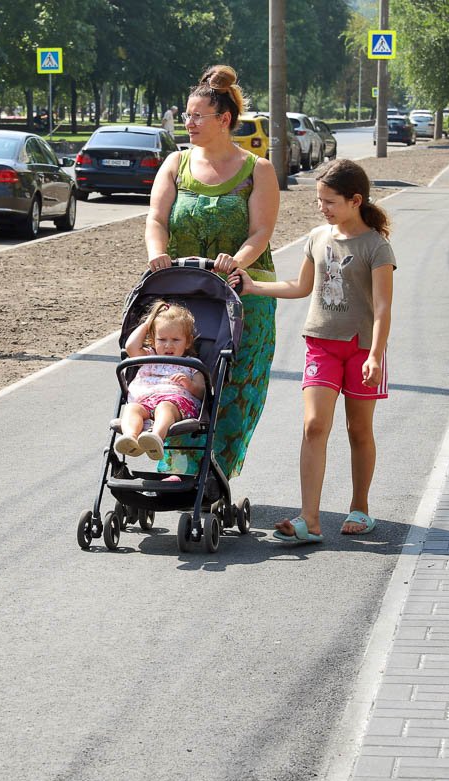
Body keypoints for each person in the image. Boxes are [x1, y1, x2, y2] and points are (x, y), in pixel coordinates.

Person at [228, 159, 395, 543]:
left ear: (356, 200)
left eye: (330, 201)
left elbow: (383, 309)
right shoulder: (317, 237)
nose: (322, 207)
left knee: (358, 430)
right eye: (319, 200)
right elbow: (301, 287)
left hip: (361, 350)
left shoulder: (376, 246)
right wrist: (253, 287)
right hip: (321, 345)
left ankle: (360, 508)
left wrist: (374, 356)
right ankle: (309, 520)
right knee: (314, 425)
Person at [145, 64, 279, 480]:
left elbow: (261, 231)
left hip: (242, 295)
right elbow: (156, 218)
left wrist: (237, 260)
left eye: (196, 115)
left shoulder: (257, 169)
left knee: (232, 386)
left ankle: (214, 472)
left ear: (224, 120)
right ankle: (178, 469)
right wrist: (157, 252)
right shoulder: (175, 163)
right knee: (176, 378)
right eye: (186, 114)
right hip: (183, 293)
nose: (188, 123)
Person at [115, 301, 206, 462]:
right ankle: (131, 438)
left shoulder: (191, 364)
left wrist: (189, 385)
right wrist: (149, 322)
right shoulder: (150, 356)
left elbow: (202, 391)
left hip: (177, 404)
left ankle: (156, 436)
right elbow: (130, 347)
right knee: (131, 408)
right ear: (152, 340)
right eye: (162, 339)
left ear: (188, 342)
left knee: (165, 407)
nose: (168, 345)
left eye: (176, 340)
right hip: (145, 401)